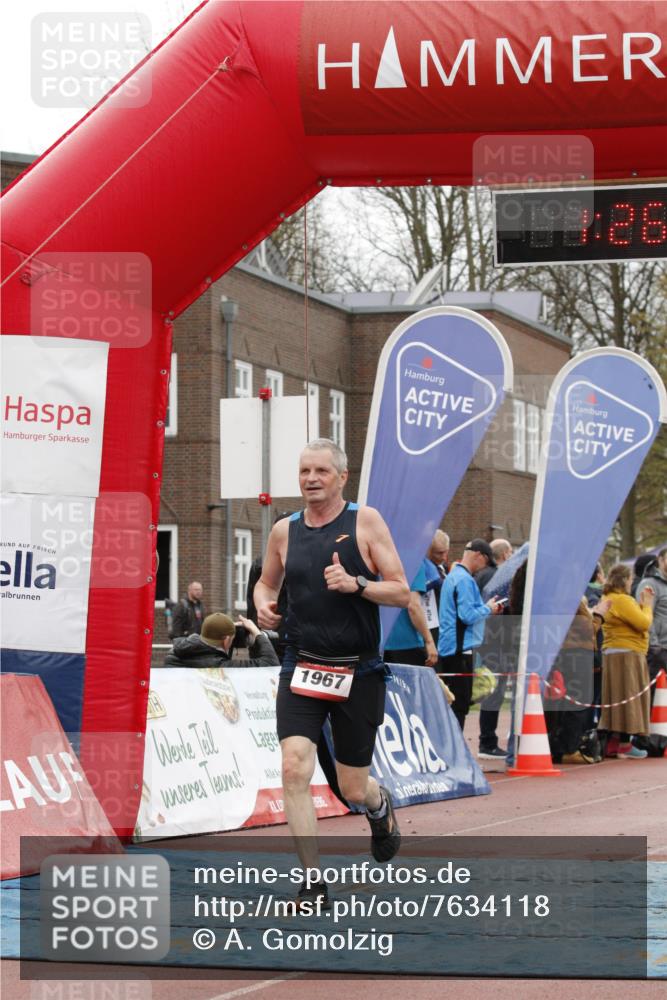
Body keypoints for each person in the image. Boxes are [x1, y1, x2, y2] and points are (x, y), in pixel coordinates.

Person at [254, 438, 409, 907]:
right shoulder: (284, 530)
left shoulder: (365, 521)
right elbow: (266, 582)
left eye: (321, 471)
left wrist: (357, 584)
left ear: (342, 477)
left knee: (351, 787)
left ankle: (379, 809)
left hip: (356, 670)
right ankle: (312, 884)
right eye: (304, 471)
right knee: (293, 766)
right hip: (301, 663)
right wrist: (263, 605)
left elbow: (401, 591)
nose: (311, 479)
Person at [437, 539, 502, 731]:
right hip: (460, 648)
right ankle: (456, 756)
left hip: (451, 646)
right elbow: (467, 615)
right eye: (486, 562)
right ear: (479, 556)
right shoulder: (465, 580)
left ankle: (452, 753)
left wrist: (485, 607)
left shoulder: (454, 576)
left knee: (454, 703)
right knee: (460, 704)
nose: (484, 568)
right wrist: (488, 609)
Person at [599, 563, 655, 758]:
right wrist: (647, 605)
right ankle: (624, 744)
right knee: (629, 697)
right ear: (624, 580)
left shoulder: (608, 597)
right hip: (628, 654)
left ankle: (614, 743)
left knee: (616, 698)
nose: (632, 583)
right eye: (630, 579)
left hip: (612, 652)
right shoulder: (622, 599)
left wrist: (639, 605)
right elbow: (643, 623)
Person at [475, 539, 513, 759]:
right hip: (494, 641)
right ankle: (487, 741)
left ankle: (487, 739)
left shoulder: (480, 576)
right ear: (505, 555)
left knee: (491, 689)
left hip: (485, 640)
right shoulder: (496, 578)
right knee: (494, 691)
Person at [164, 612, 279, 669]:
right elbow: (270, 663)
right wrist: (256, 632)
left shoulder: (176, 652)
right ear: (226, 640)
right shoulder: (218, 665)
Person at [383, 556, 438, 667]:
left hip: (378, 642)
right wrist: (429, 641)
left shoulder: (376, 558)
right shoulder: (414, 561)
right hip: (407, 642)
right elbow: (413, 606)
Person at [636, 546, 667, 705]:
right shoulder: (649, 584)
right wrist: (654, 645)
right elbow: (644, 615)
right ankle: (652, 729)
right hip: (658, 650)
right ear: (660, 560)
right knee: (656, 697)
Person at [424, 529, 449, 645]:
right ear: (428, 551)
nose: (444, 557)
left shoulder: (442, 568)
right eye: (439, 553)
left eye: (446, 552)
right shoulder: (423, 569)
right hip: (429, 627)